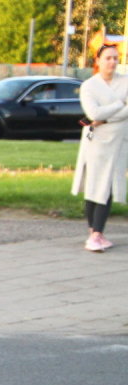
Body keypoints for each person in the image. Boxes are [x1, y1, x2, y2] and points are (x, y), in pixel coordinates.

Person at [72, 43, 128, 253]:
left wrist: (107, 117)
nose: (112, 62)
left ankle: (98, 232)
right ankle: (94, 233)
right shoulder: (89, 86)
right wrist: (119, 105)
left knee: (110, 182)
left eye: (115, 58)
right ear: (98, 60)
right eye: (108, 58)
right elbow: (93, 114)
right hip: (96, 141)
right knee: (95, 182)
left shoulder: (125, 82)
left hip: (119, 140)